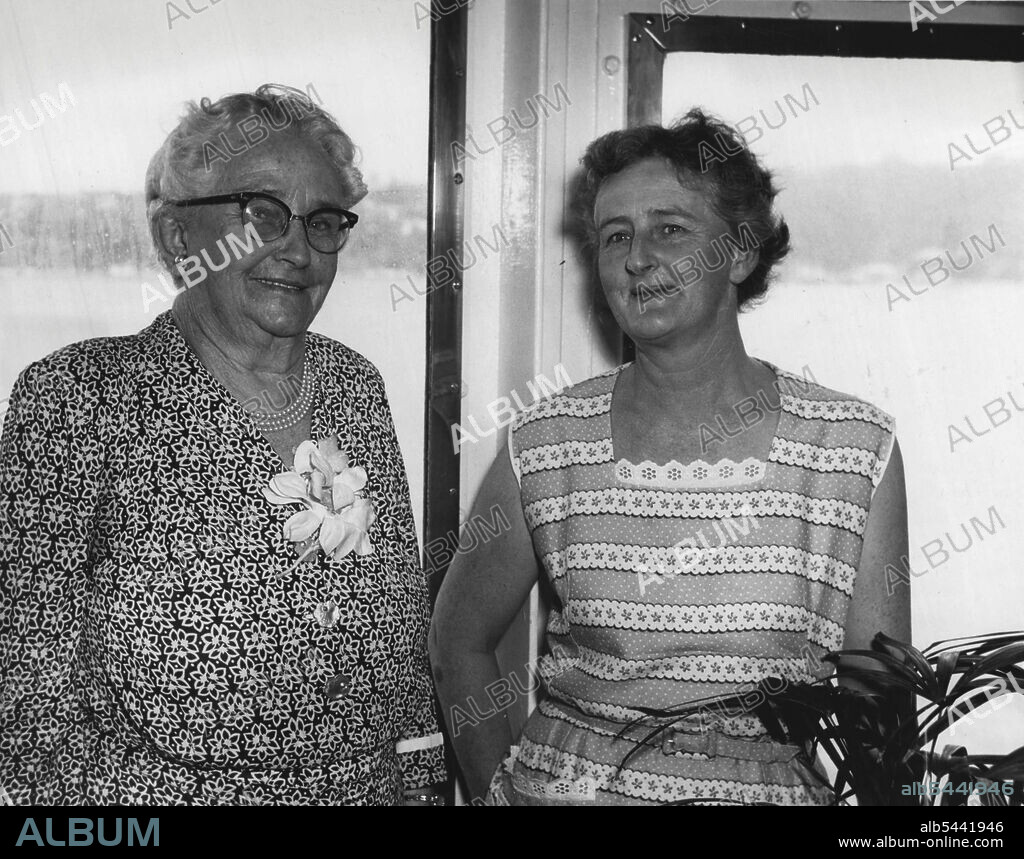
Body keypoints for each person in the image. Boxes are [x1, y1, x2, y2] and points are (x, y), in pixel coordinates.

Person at [430, 109, 910, 806]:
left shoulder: (851, 448)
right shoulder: (547, 441)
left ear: (742, 252)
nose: (636, 257)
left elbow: (882, 708)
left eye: (670, 229)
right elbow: (457, 641)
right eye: (614, 235)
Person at [0, 85, 445, 805]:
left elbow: (404, 667)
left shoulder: (355, 385)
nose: (297, 249)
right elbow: (24, 710)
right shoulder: (77, 397)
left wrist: (424, 791)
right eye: (262, 214)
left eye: (323, 221)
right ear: (179, 237)